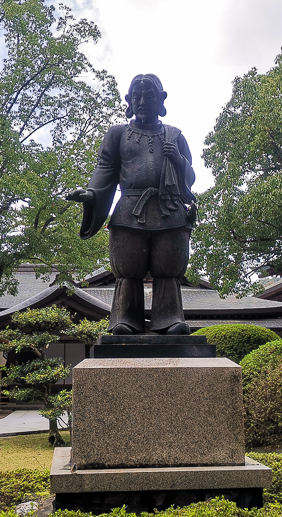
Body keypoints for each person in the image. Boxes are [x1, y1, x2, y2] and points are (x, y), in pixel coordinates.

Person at [66, 74, 197, 335]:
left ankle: (169, 318)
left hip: (168, 209)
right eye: (136, 96)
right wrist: (92, 195)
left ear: (161, 100)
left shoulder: (174, 135)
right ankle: (125, 318)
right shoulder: (117, 134)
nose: (142, 101)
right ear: (129, 100)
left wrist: (179, 161)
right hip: (129, 209)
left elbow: (190, 179)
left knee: (168, 267)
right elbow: (105, 169)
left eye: (149, 95)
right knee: (128, 268)